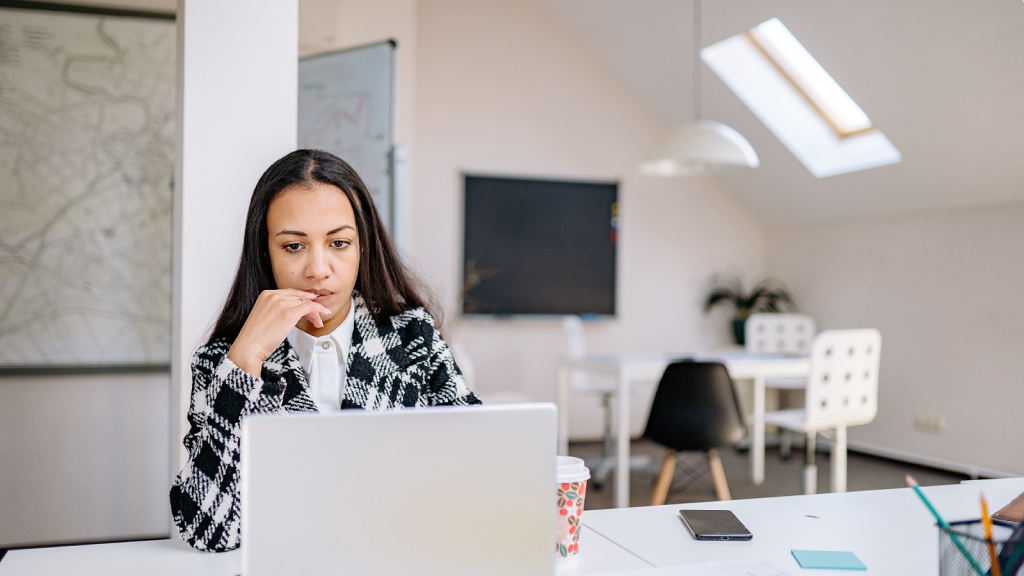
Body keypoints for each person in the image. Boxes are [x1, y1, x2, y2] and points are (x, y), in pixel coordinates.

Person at [169, 149, 481, 552]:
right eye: (294, 246)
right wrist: (245, 361)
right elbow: (206, 533)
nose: (318, 268)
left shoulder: (410, 335)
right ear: (266, 252)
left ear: (362, 248)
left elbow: (476, 469)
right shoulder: (223, 362)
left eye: (338, 242)